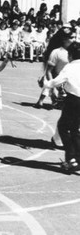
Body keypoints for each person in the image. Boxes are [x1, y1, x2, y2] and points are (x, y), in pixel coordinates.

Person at [44, 42, 80, 173]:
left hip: (74, 99)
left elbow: (57, 81)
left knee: (64, 127)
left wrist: (46, 83)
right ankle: (77, 158)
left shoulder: (70, 67)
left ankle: (71, 157)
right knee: (75, 129)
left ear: (70, 55)